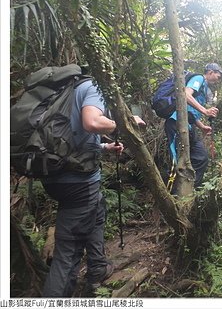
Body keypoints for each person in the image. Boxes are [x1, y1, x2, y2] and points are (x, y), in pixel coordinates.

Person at [41, 77, 146, 297]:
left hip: (58, 175)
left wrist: (105, 146)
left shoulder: (69, 94)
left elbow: (73, 138)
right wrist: (127, 122)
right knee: (68, 252)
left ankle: (97, 267)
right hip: (77, 182)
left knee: (97, 211)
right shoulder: (94, 86)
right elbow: (92, 123)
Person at [165, 63, 222, 192]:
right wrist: (205, 111)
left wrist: (202, 126)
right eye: (218, 75)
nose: (219, 79)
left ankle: (191, 192)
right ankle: (170, 197)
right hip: (175, 123)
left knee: (201, 158)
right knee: (176, 163)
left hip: (188, 126)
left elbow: (190, 112)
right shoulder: (199, 79)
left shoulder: (205, 89)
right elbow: (185, 94)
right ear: (210, 72)